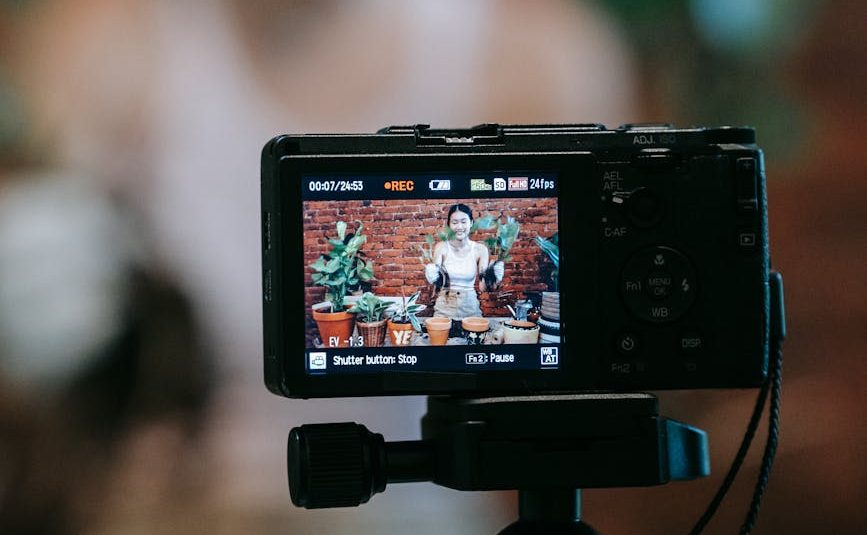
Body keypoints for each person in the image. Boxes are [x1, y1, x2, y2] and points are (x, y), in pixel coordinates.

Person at [423, 204, 505, 320]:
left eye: (463, 221)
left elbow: (483, 287)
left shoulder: (480, 250)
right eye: (455, 222)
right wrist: (432, 277)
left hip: (470, 309)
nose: (459, 227)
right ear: (449, 225)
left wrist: (494, 277)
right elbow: (437, 285)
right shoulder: (441, 247)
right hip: (444, 308)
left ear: (471, 223)